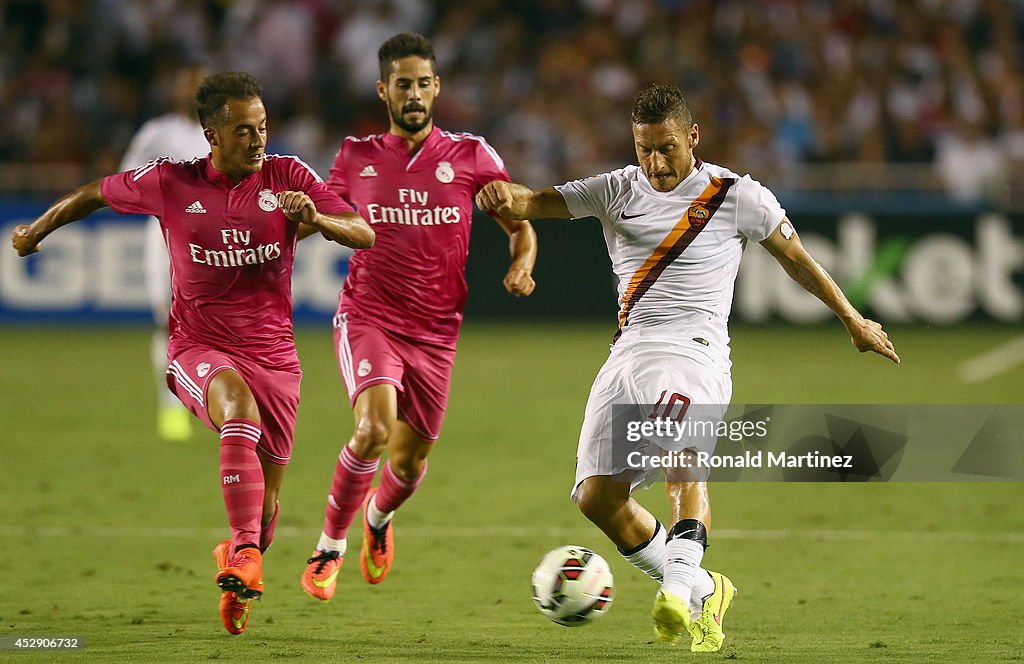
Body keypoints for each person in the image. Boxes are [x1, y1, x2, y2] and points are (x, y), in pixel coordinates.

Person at [475, 83, 900, 652]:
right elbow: (535, 202)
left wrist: (853, 320)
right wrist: (505, 195)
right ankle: (706, 592)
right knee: (596, 497)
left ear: (693, 137)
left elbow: (798, 261)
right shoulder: (617, 188)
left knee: (684, 460)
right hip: (627, 352)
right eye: (645, 148)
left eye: (667, 147)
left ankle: (676, 592)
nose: (655, 162)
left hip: (693, 351)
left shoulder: (737, 195)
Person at [11, 71, 374, 636]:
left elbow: (363, 232)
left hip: (275, 356)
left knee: (267, 508)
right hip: (198, 345)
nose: (257, 140)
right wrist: (36, 231)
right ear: (212, 136)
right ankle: (246, 553)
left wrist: (318, 219)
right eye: (242, 131)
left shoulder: (288, 176)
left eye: (261, 128)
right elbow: (93, 193)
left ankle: (240, 554)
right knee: (237, 413)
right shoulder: (170, 182)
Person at [300, 32, 537, 601]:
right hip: (369, 316)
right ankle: (328, 548)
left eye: (423, 83)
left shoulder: (472, 156)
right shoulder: (355, 156)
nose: (413, 94)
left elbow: (521, 224)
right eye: (402, 84)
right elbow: (324, 218)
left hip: (436, 334)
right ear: (383, 89)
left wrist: (521, 266)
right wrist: (297, 218)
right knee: (373, 429)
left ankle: (377, 522)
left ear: (437, 88)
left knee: (408, 464)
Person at [118, 64, 210, 443]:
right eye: (185, 83)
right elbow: (126, 178)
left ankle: (209, 394)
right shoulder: (157, 133)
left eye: (198, 84)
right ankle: (171, 403)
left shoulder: (223, 133)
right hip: (165, 237)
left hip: (212, 240)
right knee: (166, 320)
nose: (191, 91)